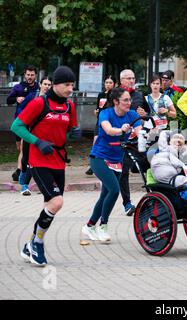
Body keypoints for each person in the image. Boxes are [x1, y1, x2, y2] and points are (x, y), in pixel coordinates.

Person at [11, 66, 80, 266]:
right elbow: (16, 126)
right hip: (38, 160)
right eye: (66, 85)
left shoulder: (70, 106)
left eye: (72, 85)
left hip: (58, 160)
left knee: (49, 207)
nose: (70, 89)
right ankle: (38, 243)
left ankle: (29, 245)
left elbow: (67, 129)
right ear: (56, 84)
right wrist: (37, 142)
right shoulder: (39, 103)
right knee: (56, 202)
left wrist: (72, 134)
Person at [81, 87, 142, 242]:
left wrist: (150, 133)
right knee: (114, 190)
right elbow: (108, 130)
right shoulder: (105, 113)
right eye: (125, 100)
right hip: (99, 158)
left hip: (117, 159)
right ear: (116, 101)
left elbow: (140, 132)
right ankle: (103, 225)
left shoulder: (132, 115)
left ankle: (89, 226)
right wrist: (120, 130)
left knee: (105, 195)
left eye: (130, 100)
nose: (129, 103)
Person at [19, 76, 53, 195]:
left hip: (46, 135)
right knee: (26, 159)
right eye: (45, 84)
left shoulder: (53, 100)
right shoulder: (32, 97)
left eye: (49, 85)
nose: (47, 87)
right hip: (30, 133)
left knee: (42, 160)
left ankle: (41, 184)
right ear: (40, 84)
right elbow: (21, 111)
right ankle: (23, 183)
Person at [118, 69, 145, 216]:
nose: (132, 80)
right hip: (121, 140)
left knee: (145, 167)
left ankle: (154, 198)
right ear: (121, 80)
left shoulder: (139, 95)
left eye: (133, 78)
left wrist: (144, 115)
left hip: (136, 139)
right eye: (128, 78)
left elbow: (148, 113)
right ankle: (127, 204)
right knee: (123, 173)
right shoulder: (115, 95)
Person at [7, 65, 40, 182]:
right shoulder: (18, 87)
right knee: (19, 147)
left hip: (32, 122)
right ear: (25, 75)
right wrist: (16, 98)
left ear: (35, 75)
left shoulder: (39, 88)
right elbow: (8, 100)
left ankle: (20, 171)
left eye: (32, 75)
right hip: (19, 120)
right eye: (28, 75)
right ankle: (24, 166)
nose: (30, 77)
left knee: (22, 146)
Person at [85, 75, 116, 176]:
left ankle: (106, 164)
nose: (108, 85)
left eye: (110, 83)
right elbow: (98, 107)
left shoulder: (115, 95)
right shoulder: (101, 94)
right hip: (100, 121)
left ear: (114, 84)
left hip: (110, 122)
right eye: (106, 82)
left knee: (107, 143)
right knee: (96, 141)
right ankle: (92, 165)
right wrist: (96, 112)